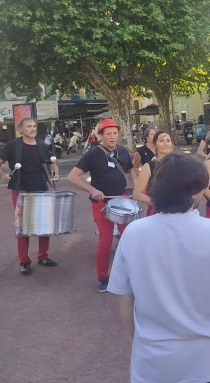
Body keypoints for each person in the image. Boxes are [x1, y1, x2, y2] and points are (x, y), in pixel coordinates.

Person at [107, 154, 210, 383]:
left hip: (151, 365)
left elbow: (124, 298)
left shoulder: (133, 233)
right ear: (196, 192)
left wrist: (138, 338)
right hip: (206, 363)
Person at [67, 118, 134, 292]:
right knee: (105, 241)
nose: (112, 137)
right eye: (108, 133)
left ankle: (131, 274)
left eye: (115, 133)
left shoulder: (123, 151)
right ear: (100, 136)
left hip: (122, 201)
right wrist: (91, 190)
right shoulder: (93, 154)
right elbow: (72, 177)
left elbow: (130, 173)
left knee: (128, 238)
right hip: (102, 203)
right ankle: (103, 277)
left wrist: (138, 189)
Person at [0, 117, 59, 275]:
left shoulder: (42, 145)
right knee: (23, 228)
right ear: (20, 129)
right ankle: (24, 262)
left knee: (44, 226)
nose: (32, 128)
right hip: (21, 189)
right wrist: (3, 175)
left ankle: (43, 256)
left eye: (34, 126)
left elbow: (51, 162)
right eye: (29, 126)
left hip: (41, 189)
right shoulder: (13, 146)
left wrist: (55, 169)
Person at [133, 130, 174, 216]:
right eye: (161, 141)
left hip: (178, 212)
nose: (165, 143)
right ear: (155, 144)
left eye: (168, 140)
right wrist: (158, 202)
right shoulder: (149, 166)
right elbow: (137, 194)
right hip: (157, 213)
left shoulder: (180, 163)